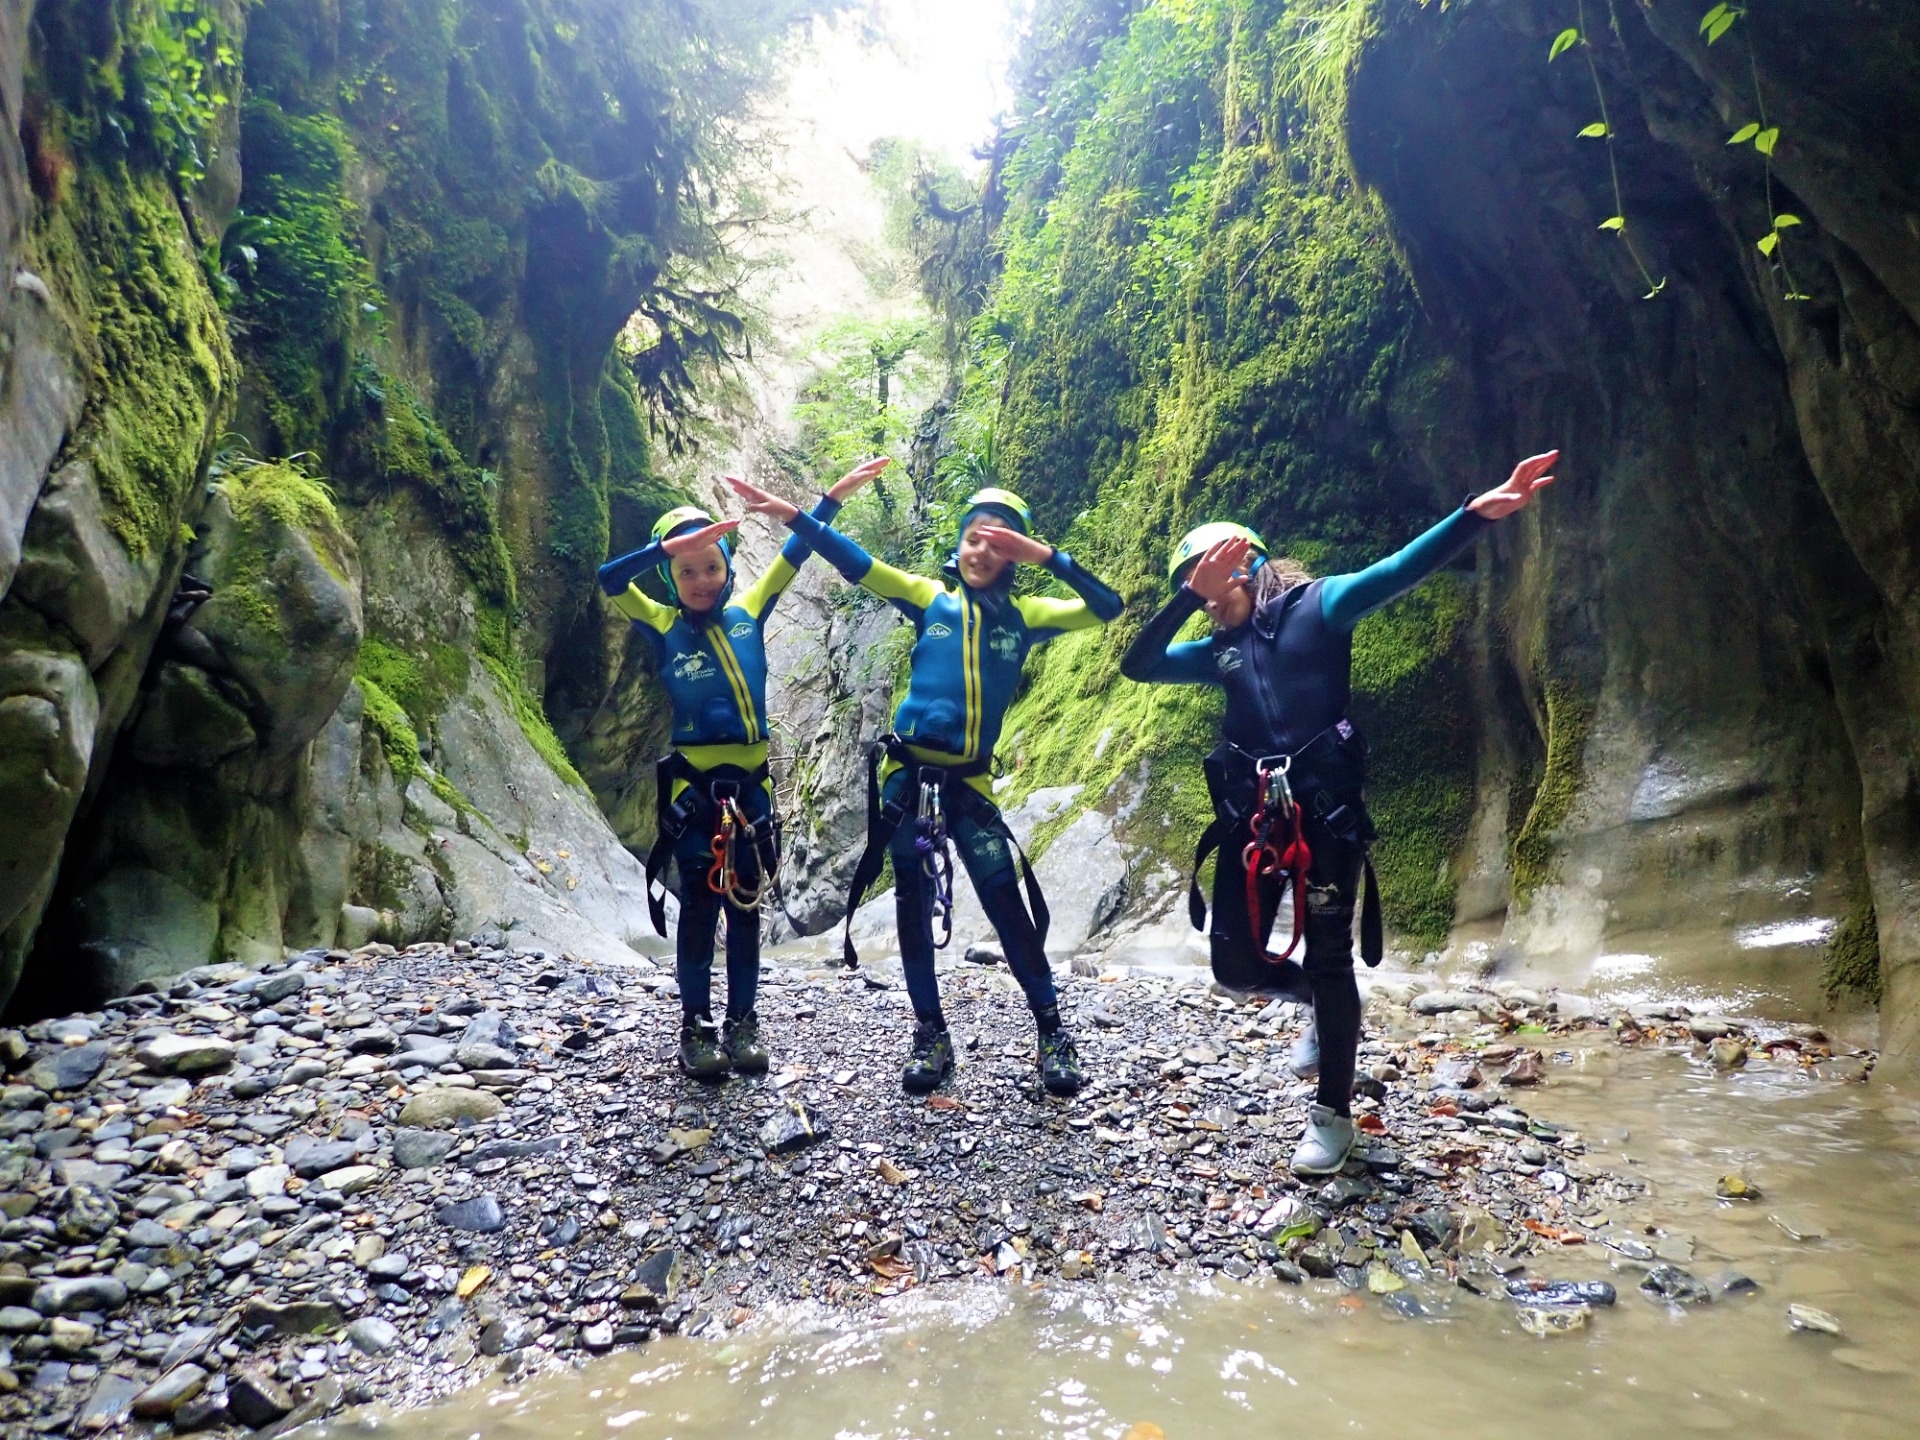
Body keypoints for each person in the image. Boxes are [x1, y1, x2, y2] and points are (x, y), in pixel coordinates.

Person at [1119, 452, 1558, 1173]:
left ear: (1246, 564)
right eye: (1189, 588)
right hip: (1253, 821)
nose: (1200, 598)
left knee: (1330, 958)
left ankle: (1333, 1115)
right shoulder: (1215, 651)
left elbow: (1398, 570)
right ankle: (1322, 1009)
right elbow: (1139, 664)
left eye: (1205, 579)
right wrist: (1181, 600)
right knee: (1234, 970)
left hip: (1327, 817)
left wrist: (1476, 512)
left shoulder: (1319, 606)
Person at [728, 475, 1125, 1096]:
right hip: (907, 778)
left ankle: (1052, 1033)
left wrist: (1049, 557)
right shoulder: (928, 599)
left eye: (1000, 543)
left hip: (970, 784)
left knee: (1006, 905)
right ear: (958, 544)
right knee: (911, 908)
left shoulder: (1027, 618)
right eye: (974, 538)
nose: (983, 551)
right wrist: (794, 516)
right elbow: (855, 561)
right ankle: (930, 1034)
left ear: (1017, 554)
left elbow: (1109, 609)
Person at [598, 457, 891, 1079]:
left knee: (746, 911)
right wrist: (659, 548)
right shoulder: (662, 624)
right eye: (687, 570)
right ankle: (696, 1026)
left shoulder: (751, 609)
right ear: (670, 577)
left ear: (729, 566)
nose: (703, 579)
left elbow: (796, 551)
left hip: (752, 796)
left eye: (712, 565)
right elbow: (607, 578)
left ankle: (744, 1021)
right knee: (701, 910)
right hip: (694, 794)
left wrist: (832, 497)